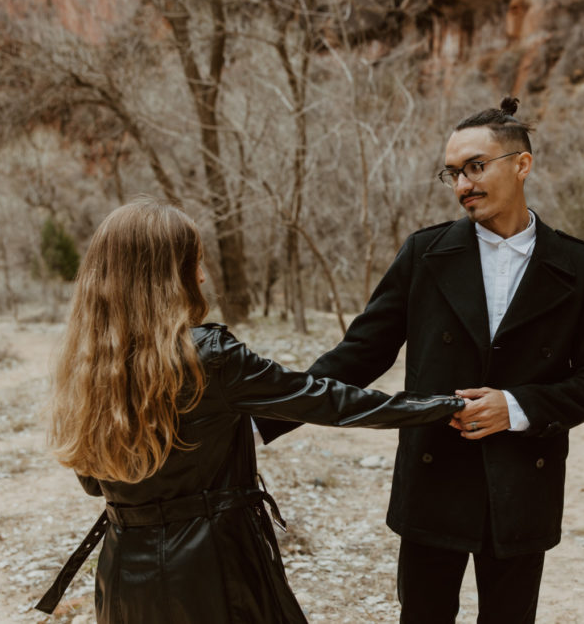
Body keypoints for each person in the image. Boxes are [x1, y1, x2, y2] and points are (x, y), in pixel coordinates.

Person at [257, 97, 584, 623]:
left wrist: (515, 407)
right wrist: (260, 421)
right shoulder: (424, 254)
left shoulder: (577, 264)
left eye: (476, 167)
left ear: (522, 164)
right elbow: (359, 354)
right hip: (434, 477)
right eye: (452, 173)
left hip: (523, 483)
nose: (462, 185)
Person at [36, 199, 466, 624]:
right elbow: (328, 401)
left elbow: (94, 483)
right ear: (167, 275)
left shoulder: (87, 364)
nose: (202, 276)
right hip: (214, 568)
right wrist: (446, 406)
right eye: (194, 262)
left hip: (124, 576)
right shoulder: (210, 357)